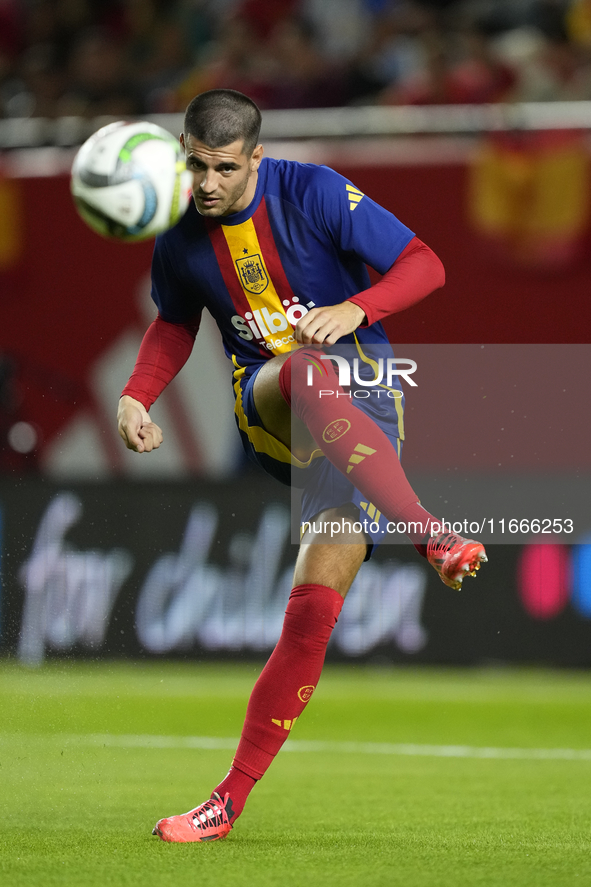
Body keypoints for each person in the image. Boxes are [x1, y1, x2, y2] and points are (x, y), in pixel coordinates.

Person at [117, 88, 487, 844]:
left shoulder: (312, 191)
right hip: (275, 409)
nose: (207, 183)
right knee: (304, 370)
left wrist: (359, 308)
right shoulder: (182, 233)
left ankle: (225, 802)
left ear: (256, 157)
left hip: (367, 418)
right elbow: (174, 322)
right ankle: (433, 535)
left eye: (223, 167)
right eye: (195, 165)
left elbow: (426, 265)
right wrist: (135, 393)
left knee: (311, 613)